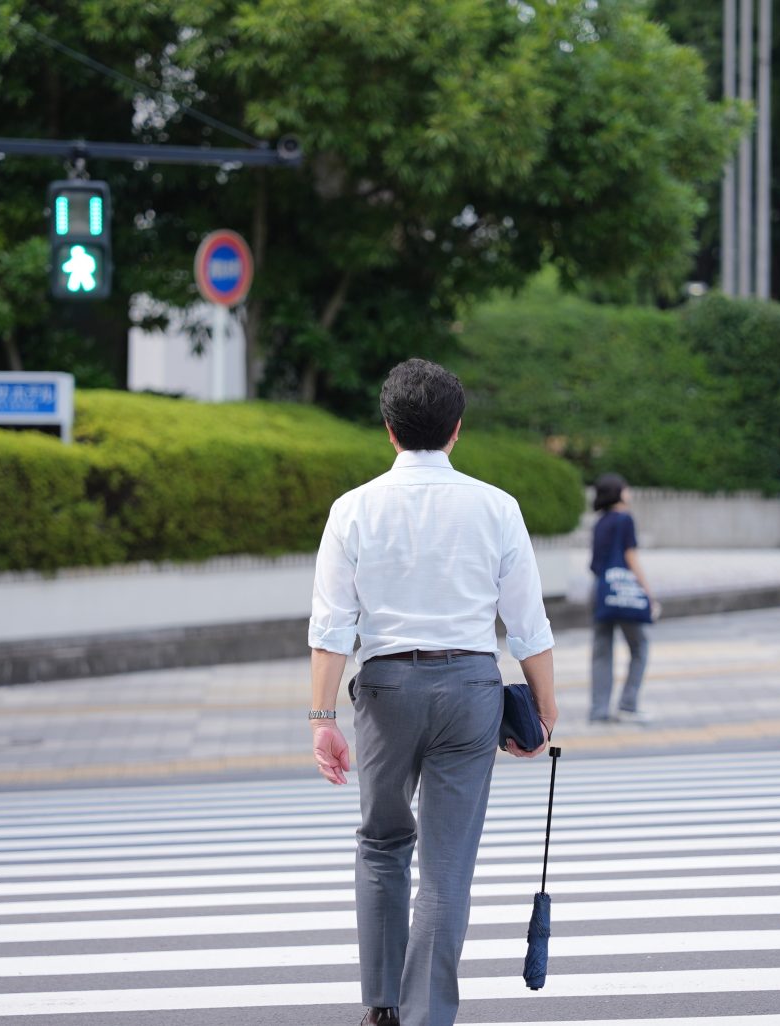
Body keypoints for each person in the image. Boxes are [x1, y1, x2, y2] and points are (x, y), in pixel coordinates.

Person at [307, 358, 557, 1026]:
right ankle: (427, 1017)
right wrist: (544, 711)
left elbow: (332, 626)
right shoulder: (496, 506)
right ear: (456, 429)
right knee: (446, 866)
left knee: (382, 844)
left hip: (386, 688)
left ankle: (382, 1005)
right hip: (471, 688)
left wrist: (321, 717)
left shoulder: (353, 509)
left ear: (388, 430)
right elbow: (528, 625)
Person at [588, 473, 652, 723]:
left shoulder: (600, 522)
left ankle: (599, 709)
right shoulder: (625, 519)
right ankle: (628, 703)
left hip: (600, 590)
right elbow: (631, 557)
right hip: (623, 591)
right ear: (619, 492)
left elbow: (594, 564)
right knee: (640, 647)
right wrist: (647, 591)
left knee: (602, 651)